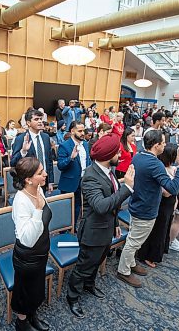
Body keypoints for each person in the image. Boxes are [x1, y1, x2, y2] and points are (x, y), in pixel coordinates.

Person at [66, 134, 134, 318]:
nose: (121, 153)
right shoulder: (90, 176)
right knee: (83, 267)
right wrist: (127, 188)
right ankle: (72, 297)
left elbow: (112, 204)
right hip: (93, 233)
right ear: (108, 155)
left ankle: (89, 285)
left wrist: (115, 224)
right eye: (118, 151)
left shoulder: (108, 171)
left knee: (96, 263)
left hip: (106, 229)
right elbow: (101, 206)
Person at [117, 130, 179, 287]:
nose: (165, 146)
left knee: (134, 239)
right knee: (134, 242)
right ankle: (123, 271)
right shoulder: (155, 164)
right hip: (145, 209)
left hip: (137, 204)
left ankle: (131, 262)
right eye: (163, 143)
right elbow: (172, 189)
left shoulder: (139, 156)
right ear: (156, 146)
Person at [10, 157, 51, 331]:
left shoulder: (38, 189)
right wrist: (38, 210)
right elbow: (27, 239)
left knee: (36, 289)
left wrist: (39, 209)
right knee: (24, 291)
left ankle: (32, 315)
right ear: (28, 179)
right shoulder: (20, 201)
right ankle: (21, 322)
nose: (46, 174)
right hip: (27, 257)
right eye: (41, 173)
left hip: (41, 252)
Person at [136, 143, 179, 267]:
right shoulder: (160, 169)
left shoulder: (173, 169)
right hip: (161, 203)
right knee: (157, 230)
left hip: (170, 203)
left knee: (164, 228)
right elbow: (166, 193)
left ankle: (159, 251)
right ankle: (149, 255)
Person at [11, 109, 54, 193]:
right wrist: (23, 151)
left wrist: (50, 181)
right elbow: (13, 163)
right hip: (28, 182)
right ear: (28, 123)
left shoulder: (46, 137)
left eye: (41, 119)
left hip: (43, 180)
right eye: (36, 119)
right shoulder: (21, 139)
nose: (40, 122)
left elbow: (49, 160)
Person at [57, 121, 91, 226]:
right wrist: (70, 158)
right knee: (66, 209)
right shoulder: (64, 146)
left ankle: (74, 226)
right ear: (72, 131)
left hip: (83, 181)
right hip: (69, 183)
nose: (82, 133)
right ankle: (63, 230)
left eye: (83, 130)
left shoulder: (85, 144)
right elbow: (60, 166)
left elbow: (87, 161)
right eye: (79, 131)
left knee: (78, 206)